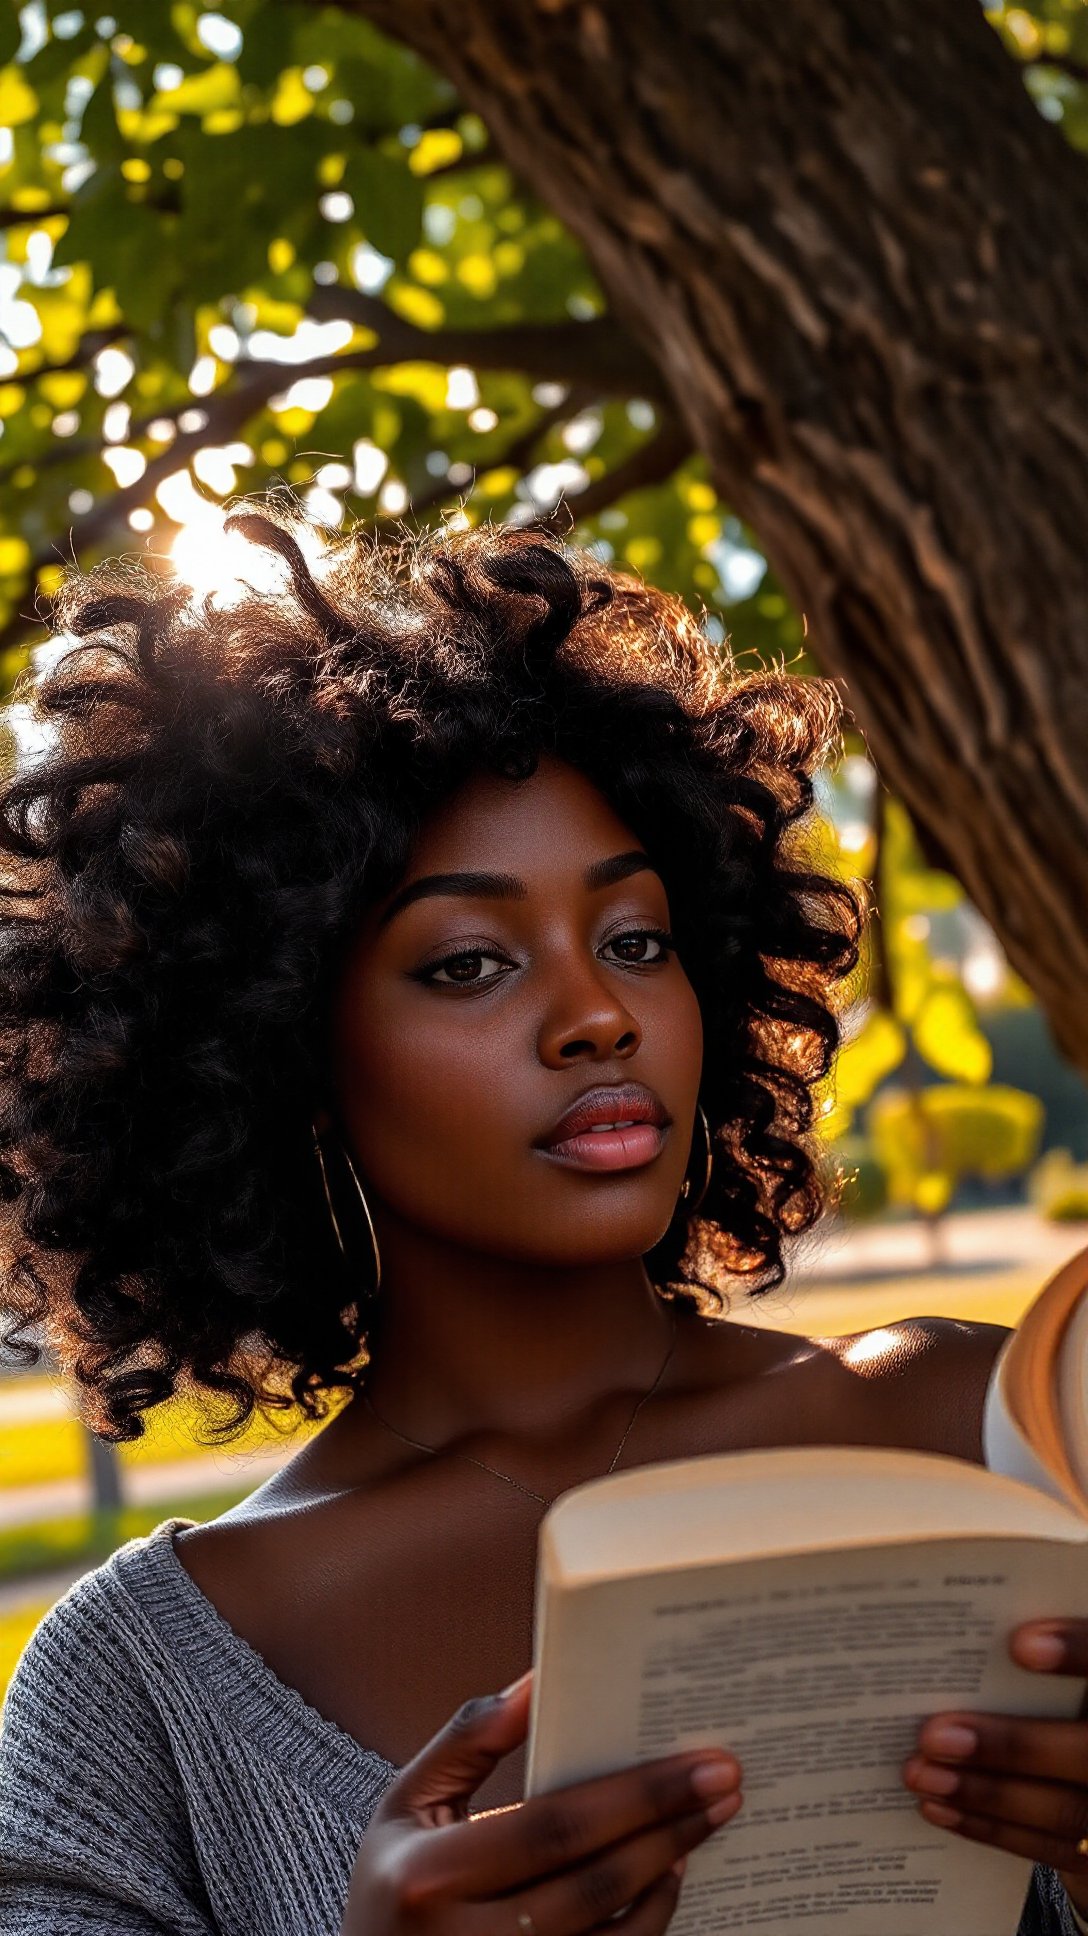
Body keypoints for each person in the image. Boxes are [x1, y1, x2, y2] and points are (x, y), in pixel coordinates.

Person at [0, 508, 1084, 1936]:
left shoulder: (983, 1428)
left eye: (637, 941)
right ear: (274, 1053)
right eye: (466, 964)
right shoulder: (139, 1689)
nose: (595, 1016)